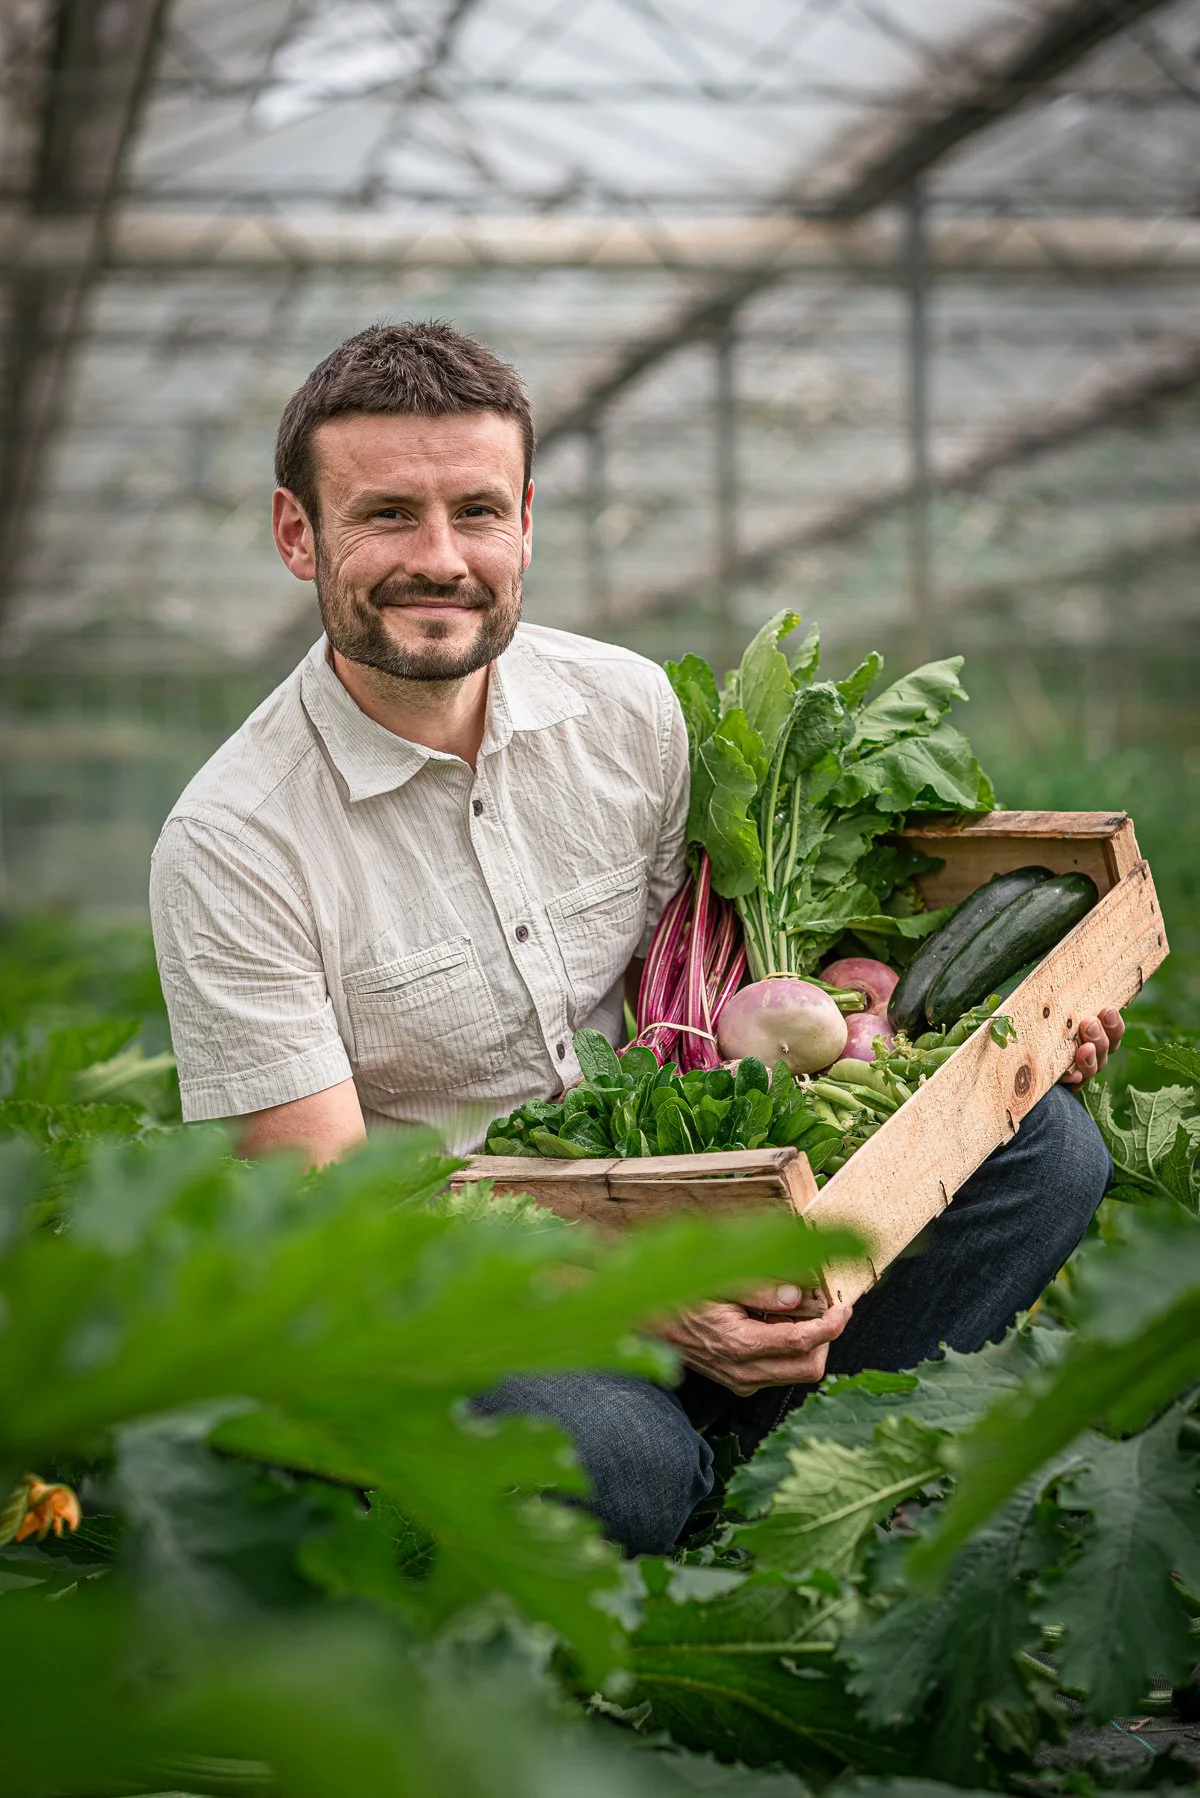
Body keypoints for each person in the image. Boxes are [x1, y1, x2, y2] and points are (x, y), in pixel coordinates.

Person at [150, 320, 1123, 1558]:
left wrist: (995, 1045)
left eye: (477, 512)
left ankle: (757, 1453)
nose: (440, 559)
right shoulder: (236, 840)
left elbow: (737, 1001)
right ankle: (761, 1480)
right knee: (615, 1460)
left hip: (701, 1207)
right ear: (300, 534)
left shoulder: (628, 709)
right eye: (388, 514)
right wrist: (641, 1297)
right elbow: (321, 1205)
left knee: (1044, 1150)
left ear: (528, 523)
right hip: (472, 1296)